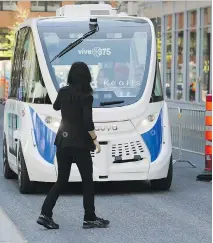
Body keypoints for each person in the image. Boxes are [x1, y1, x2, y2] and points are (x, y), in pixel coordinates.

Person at [37, 62, 110, 230]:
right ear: (87, 77)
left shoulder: (63, 92)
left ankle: (45, 214)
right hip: (81, 145)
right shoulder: (86, 96)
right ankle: (89, 217)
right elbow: (87, 122)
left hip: (63, 142)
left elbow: (56, 107)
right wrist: (95, 140)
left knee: (61, 180)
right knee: (87, 181)